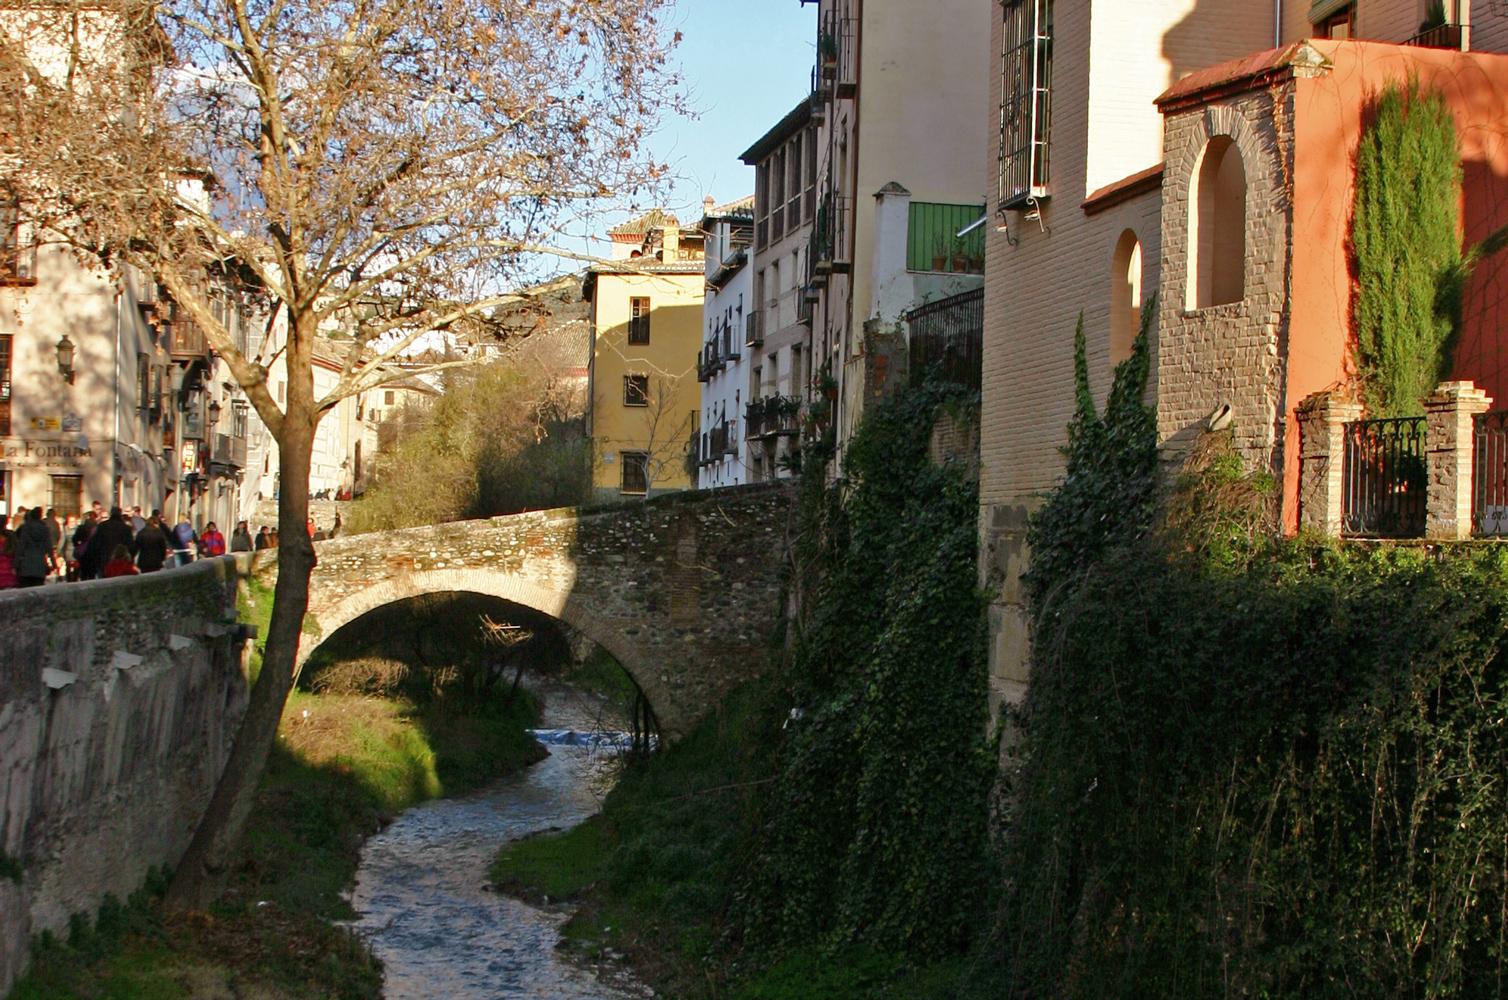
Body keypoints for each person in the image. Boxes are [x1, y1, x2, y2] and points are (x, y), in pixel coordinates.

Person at [84, 508, 134, 581]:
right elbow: (131, 546)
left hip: (104, 560)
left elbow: (94, 544)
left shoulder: (102, 526)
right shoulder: (126, 528)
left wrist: (95, 559)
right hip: (120, 562)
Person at [14, 507, 54, 587]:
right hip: (40, 565)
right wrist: (53, 563)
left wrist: (16, 564)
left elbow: (21, 547)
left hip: (26, 565)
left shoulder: (26, 528)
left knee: (25, 592)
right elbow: (49, 548)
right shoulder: (45, 529)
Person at [70, 511, 97, 582]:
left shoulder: (81, 527)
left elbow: (74, 539)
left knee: (83, 574)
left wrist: (79, 545)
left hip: (83, 553)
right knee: (91, 575)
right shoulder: (97, 528)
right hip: (93, 554)